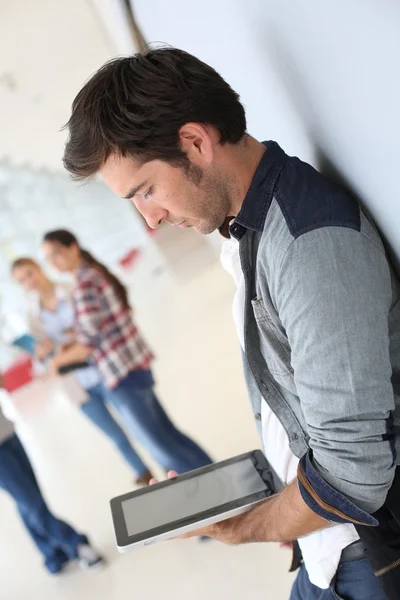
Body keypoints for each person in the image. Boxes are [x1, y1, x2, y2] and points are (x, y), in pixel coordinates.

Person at [60, 48, 400, 600]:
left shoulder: (310, 247)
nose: (150, 218)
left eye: (146, 190)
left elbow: (353, 472)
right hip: (321, 541)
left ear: (196, 142)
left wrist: (241, 526)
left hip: (358, 550)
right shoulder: (248, 226)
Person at [40, 230, 212, 477]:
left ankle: (216, 494)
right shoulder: (93, 274)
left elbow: (89, 344)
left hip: (121, 375)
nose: (54, 262)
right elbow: (100, 327)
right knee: (169, 436)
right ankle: (222, 479)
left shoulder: (83, 285)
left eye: (56, 253)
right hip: (134, 366)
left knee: (163, 448)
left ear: (73, 247)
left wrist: (57, 361)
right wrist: (69, 344)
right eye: (49, 258)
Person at [11, 257, 154, 487]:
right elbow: (45, 366)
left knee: (140, 425)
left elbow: (97, 325)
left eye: (29, 274)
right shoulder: (32, 317)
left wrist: (76, 339)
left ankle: (167, 462)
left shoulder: (72, 289)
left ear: (39, 268)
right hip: (78, 385)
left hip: (107, 370)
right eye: (21, 281)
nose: (29, 282)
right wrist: (42, 353)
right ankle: (145, 476)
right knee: (116, 437)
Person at [0, 373, 104, 574]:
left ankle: (52, 555)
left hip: (7, 434)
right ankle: (76, 545)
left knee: (29, 500)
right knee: (30, 502)